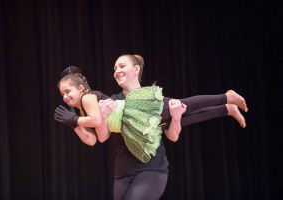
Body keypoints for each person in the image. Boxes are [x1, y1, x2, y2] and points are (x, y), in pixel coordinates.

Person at [54, 54, 248, 199]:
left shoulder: (88, 99)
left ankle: (226, 97)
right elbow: (96, 138)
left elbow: (95, 123)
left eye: (121, 65)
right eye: (114, 68)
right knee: (178, 116)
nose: (65, 97)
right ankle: (226, 109)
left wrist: (76, 119)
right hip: (127, 151)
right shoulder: (87, 109)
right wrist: (73, 122)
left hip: (137, 114)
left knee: (183, 106)